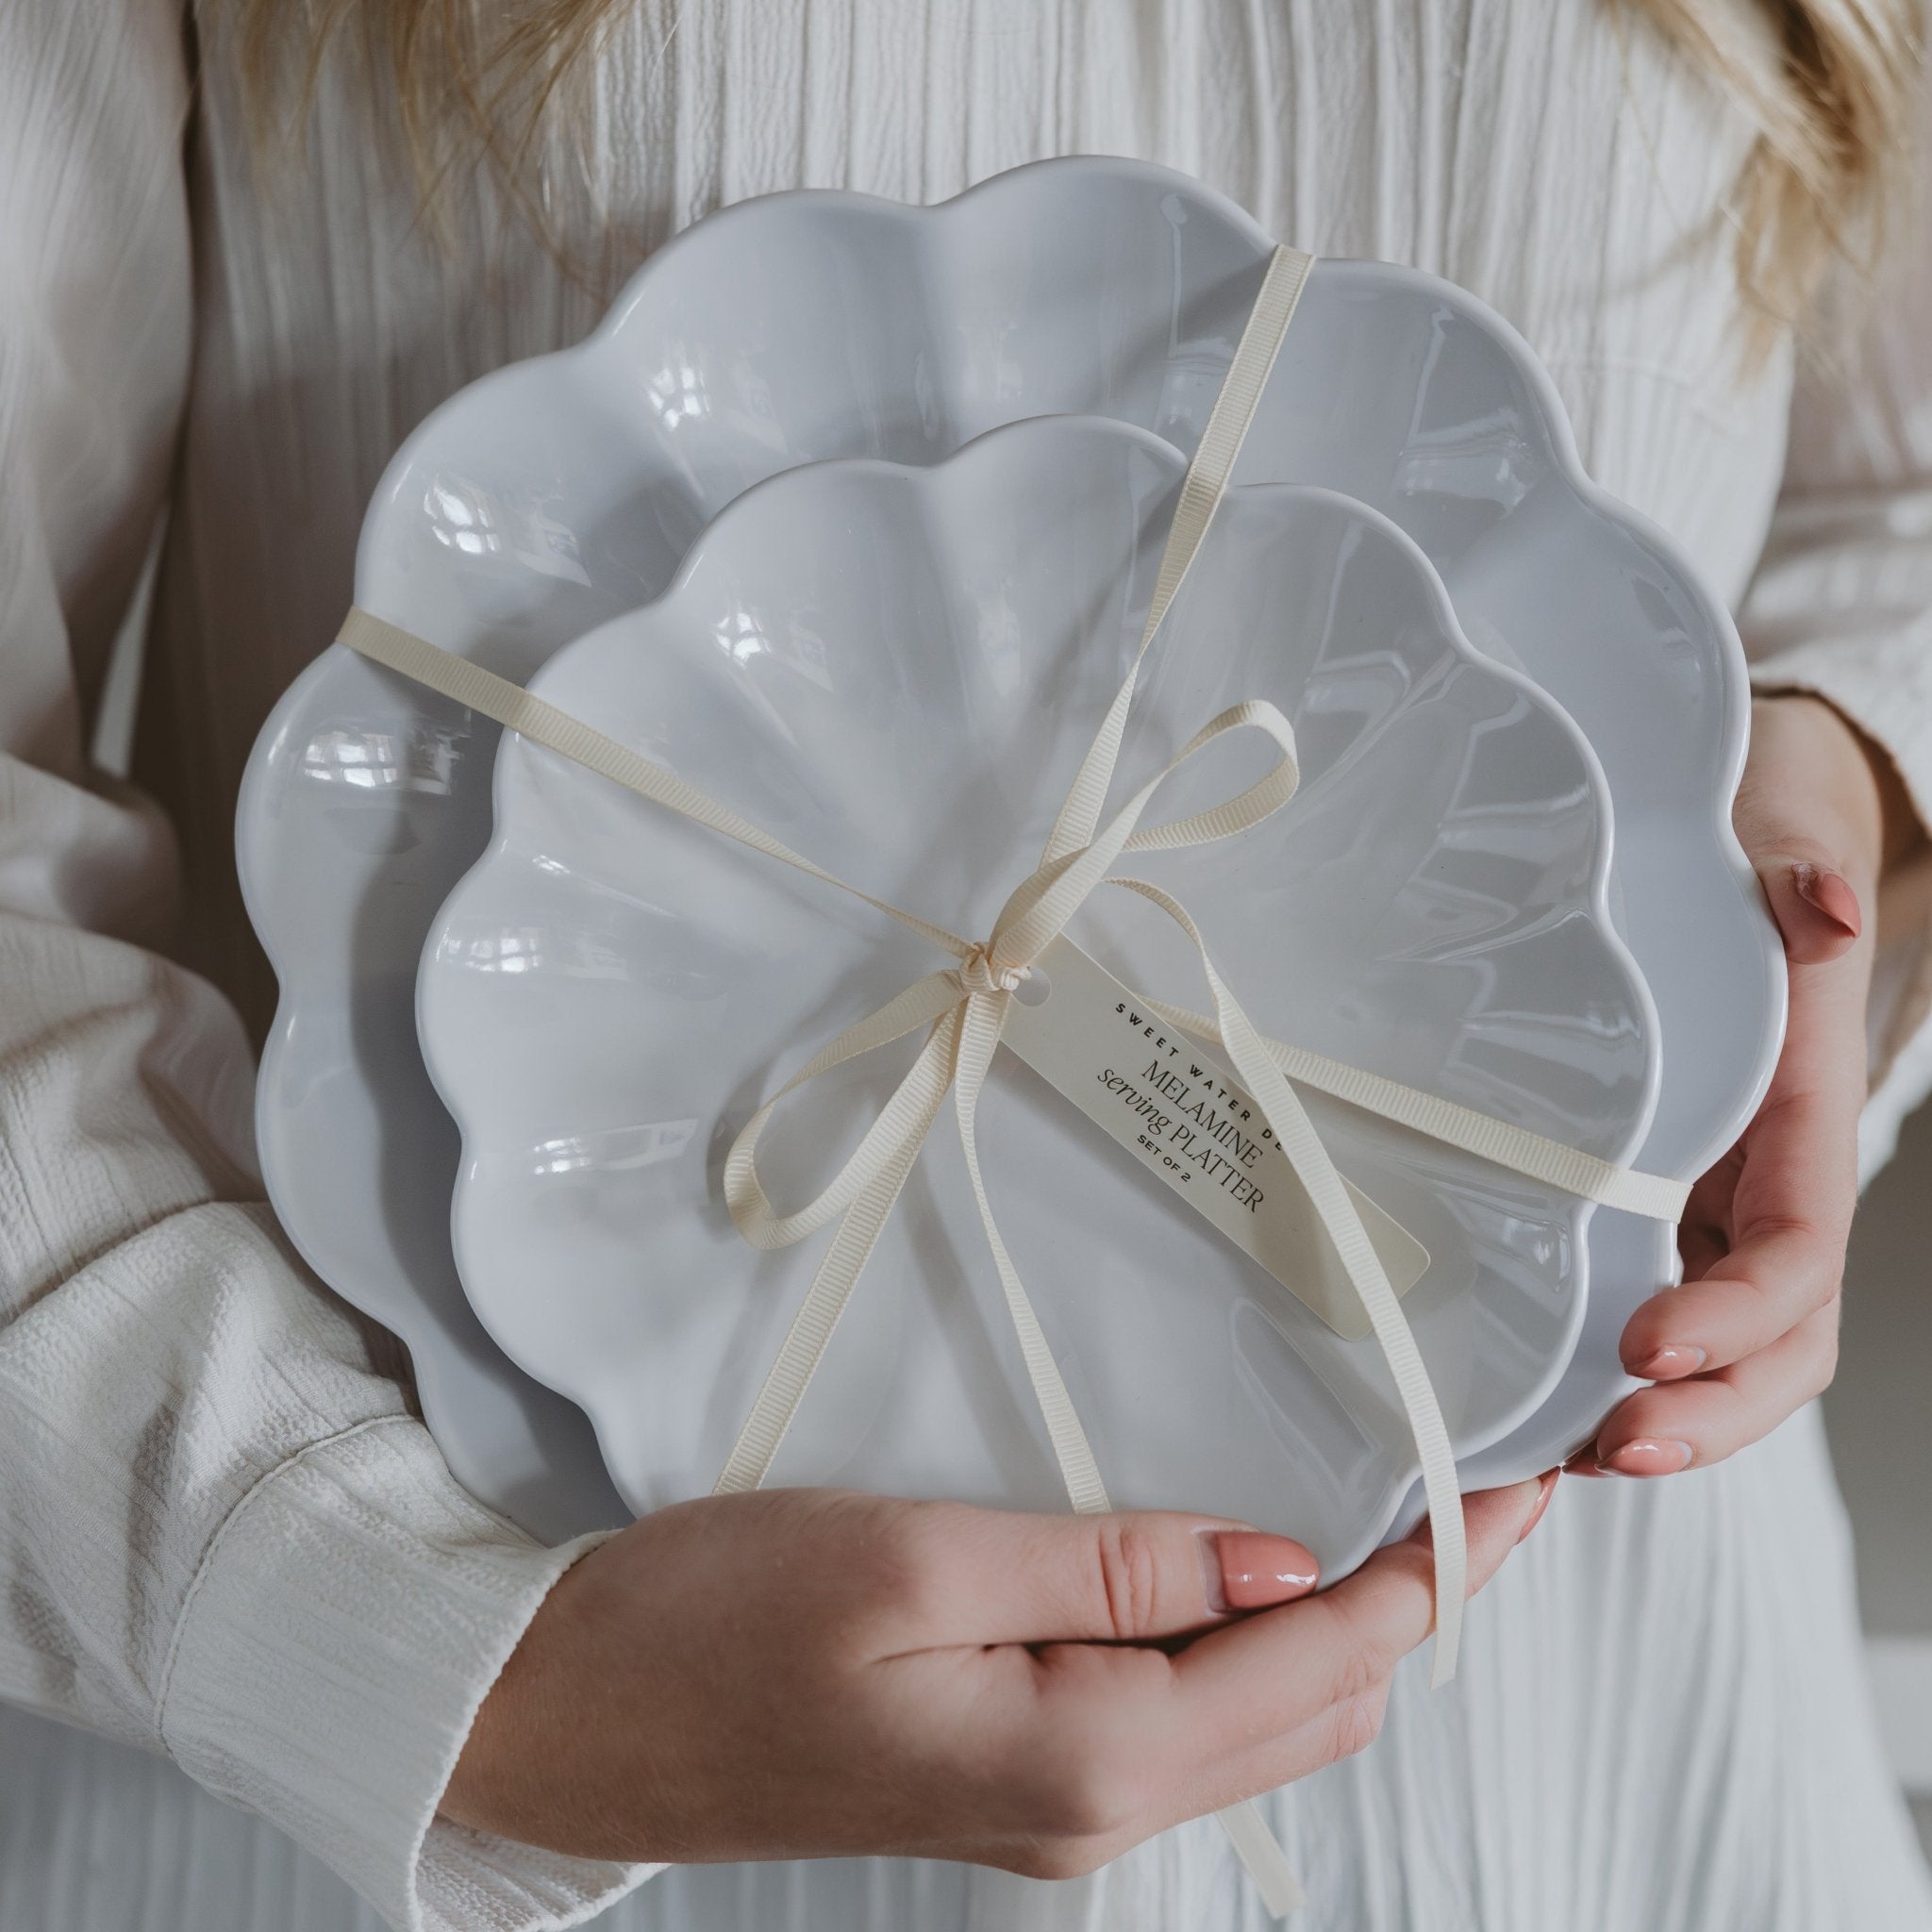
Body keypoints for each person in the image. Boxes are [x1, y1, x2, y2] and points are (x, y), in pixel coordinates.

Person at [2, 3, 1929, 1929]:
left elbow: (1894, 503)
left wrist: (1824, 779)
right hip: (459, 1696)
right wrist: (440, 1661)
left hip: (1589, 1732)